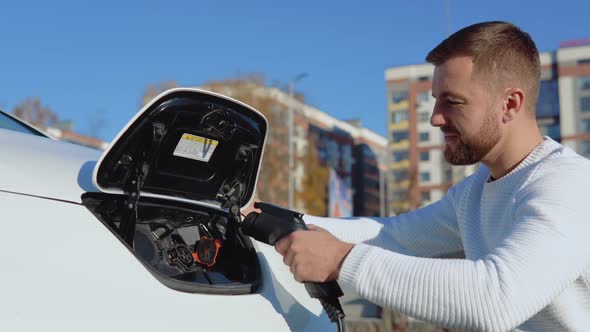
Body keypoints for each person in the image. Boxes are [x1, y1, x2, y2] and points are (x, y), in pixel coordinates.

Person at [273, 21, 590, 331]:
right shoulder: (473, 193)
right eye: (436, 100)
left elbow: (496, 299)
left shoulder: (568, 184)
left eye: (452, 102)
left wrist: (342, 260)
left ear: (510, 104)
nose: (435, 118)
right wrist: (271, 220)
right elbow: (391, 237)